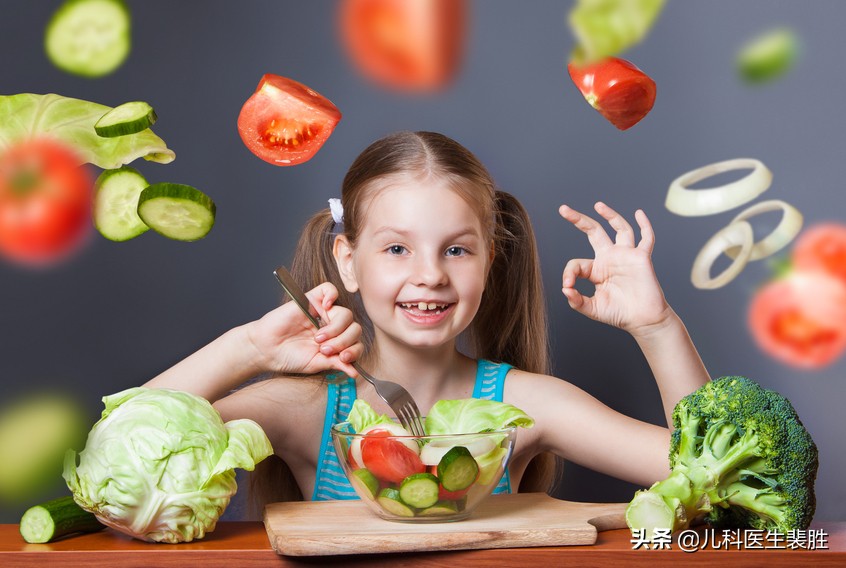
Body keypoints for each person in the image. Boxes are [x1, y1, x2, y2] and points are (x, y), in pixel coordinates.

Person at [146, 131, 710, 517]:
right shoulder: (307, 410)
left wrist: (657, 326)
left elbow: (718, 479)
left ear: (489, 261)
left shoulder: (526, 405)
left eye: (457, 251)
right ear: (349, 261)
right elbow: (127, 452)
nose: (430, 275)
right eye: (397, 249)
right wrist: (246, 348)